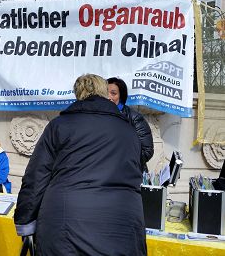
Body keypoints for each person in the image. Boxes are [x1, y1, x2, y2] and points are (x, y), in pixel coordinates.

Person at [14, 74, 146, 256]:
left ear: (78, 94)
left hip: (64, 225)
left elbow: (37, 176)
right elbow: (135, 176)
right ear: (104, 93)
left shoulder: (59, 125)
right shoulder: (129, 131)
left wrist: (24, 222)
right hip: (122, 225)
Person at [107, 77, 154, 172]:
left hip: (129, 174)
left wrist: (121, 161)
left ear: (121, 96)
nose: (109, 97)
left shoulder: (134, 118)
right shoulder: (97, 117)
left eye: (113, 93)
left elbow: (147, 151)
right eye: (105, 93)